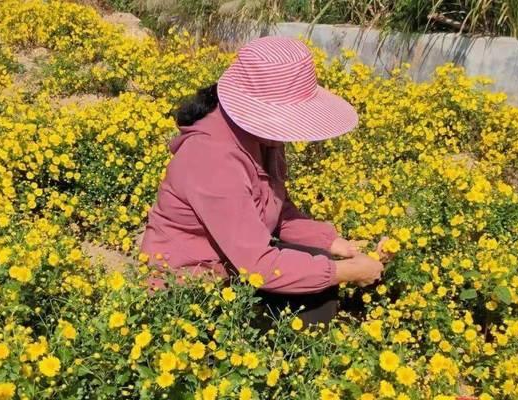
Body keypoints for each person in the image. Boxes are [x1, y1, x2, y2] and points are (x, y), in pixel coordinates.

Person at [140, 36, 390, 327]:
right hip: (191, 291)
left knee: (318, 269)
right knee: (314, 298)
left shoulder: (260, 137)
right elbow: (258, 263)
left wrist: (335, 244)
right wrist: (345, 272)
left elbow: (277, 210)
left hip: (234, 265)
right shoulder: (213, 158)